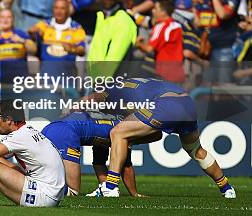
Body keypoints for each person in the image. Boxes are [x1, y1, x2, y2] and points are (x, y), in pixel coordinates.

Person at [85, 78, 236, 199]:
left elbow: (92, 100)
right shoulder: (132, 85)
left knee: (117, 133)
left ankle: (110, 187)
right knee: (195, 150)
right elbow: (156, 134)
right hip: (188, 103)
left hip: (167, 105)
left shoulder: (109, 91)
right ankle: (227, 188)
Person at [41, 111, 143, 196]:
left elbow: (99, 162)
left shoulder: (111, 119)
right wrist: (135, 194)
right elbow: (126, 167)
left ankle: (33, 186)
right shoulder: (125, 129)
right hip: (65, 132)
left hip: (50, 128)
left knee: (42, 172)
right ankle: (38, 190)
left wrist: (105, 188)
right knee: (73, 191)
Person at [0, 9, 36, 82]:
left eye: (9, 17)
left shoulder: (21, 34)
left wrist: (22, 41)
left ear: (13, 19)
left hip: (18, 79)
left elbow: (33, 50)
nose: (5, 20)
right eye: (2, 17)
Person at [136, 0, 185, 82]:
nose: (153, 11)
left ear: (163, 12)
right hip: (177, 71)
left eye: (155, 8)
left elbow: (149, 49)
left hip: (165, 72)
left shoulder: (161, 26)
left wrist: (137, 43)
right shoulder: (177, 26)